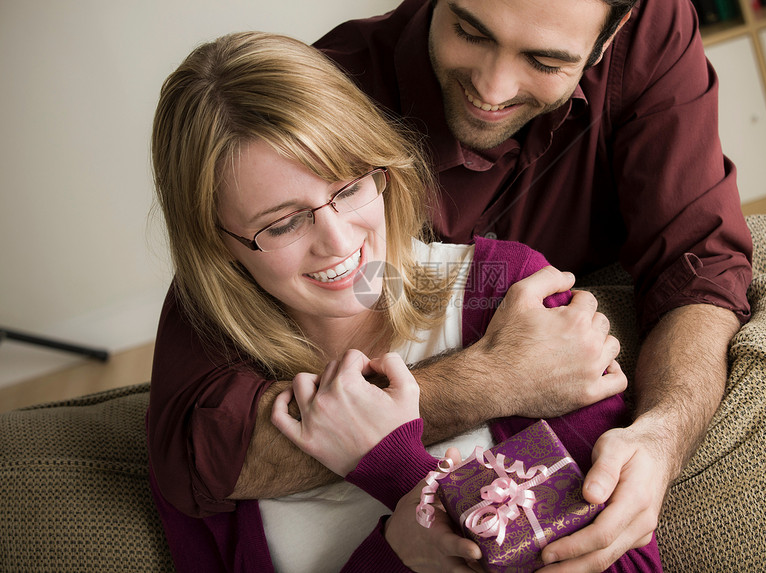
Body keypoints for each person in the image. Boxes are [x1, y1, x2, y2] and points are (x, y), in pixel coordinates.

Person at [146, 31, 661, 571]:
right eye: (284, 223)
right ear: (217, 243)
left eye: (348, 189)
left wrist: (402, 476)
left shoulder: (508, 300)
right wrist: (393, 550)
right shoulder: (207, 416)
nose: (340, 242)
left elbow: (624, 562)